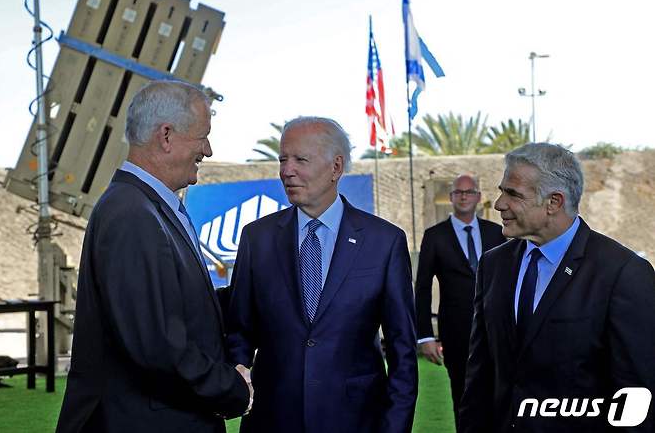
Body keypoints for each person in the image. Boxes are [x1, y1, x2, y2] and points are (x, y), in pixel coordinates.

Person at [56, 81, 251, 433]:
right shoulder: (132, 215)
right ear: (166, 136)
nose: (207, 149)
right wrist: (233, 389)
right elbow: (158, 346)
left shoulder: (149, 207)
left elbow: (172, 307)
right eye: (202, 136)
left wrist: (246, 296)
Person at [227, 116, 418, 433]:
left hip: (356, 421)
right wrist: (237, 379)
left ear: (336, 168)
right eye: (283, 159)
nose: (287, 171)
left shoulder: (384, 242)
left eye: (300, 159)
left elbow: (403, 354)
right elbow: (239, 331)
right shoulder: (256, 238)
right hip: (271, 421)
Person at [459, 143, 655, 432]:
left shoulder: (623, 273)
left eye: (512, 194)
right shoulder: (493, 265)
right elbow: (479, 378)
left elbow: (636, 400)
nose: (499, 204)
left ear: (554, 202)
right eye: (502, 190)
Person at [414, 174, 505, 430]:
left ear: (478, 196)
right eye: (458, 192)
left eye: (469, 191)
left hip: (497, 330)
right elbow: (421, 288)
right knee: (462, 395)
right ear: (451, 197)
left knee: (499, 391)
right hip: (456, 332)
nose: (464, 196)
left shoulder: (496, 233)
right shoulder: (434, 236)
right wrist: (425, 336)